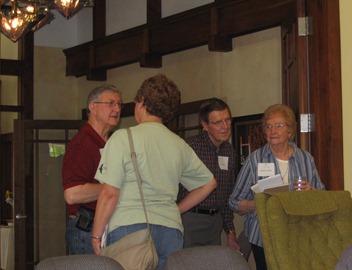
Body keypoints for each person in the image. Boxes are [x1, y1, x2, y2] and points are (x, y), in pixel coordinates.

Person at [90, 74, 217, 270]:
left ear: (141, 103)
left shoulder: (123, 138)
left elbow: (109, 193)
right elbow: (209, 183)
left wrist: (96, 235)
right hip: (171, 230)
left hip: (130, 228)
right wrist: (176, 209)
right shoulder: (178, 144)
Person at [229, 103, 325, 270]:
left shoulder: (305, 159)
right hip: (264, 236)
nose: (272, 130)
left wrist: (312, 192)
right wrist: (256, 204)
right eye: (268, 126)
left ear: (290, 131)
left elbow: (322, 196)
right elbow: (233, 201)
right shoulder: (254, 160)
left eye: (278, 125)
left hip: (298, 234)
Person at [62, 84, 123, 254]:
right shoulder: (82, 144)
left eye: (119, 104)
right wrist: (114, 187)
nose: (117, 108)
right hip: (86, 229)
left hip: (107, 227)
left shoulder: (113, 143)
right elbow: (72, 194)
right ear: (93, 107)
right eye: (110, 103)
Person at [177, 98, 241, 251]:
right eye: (218, 122)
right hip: (189, 218)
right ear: (205, 125)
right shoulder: (190, 147)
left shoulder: (229, 151)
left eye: (227, 120)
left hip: (215, 222)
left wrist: (230, 232)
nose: (225, 127)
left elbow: (226, 194)